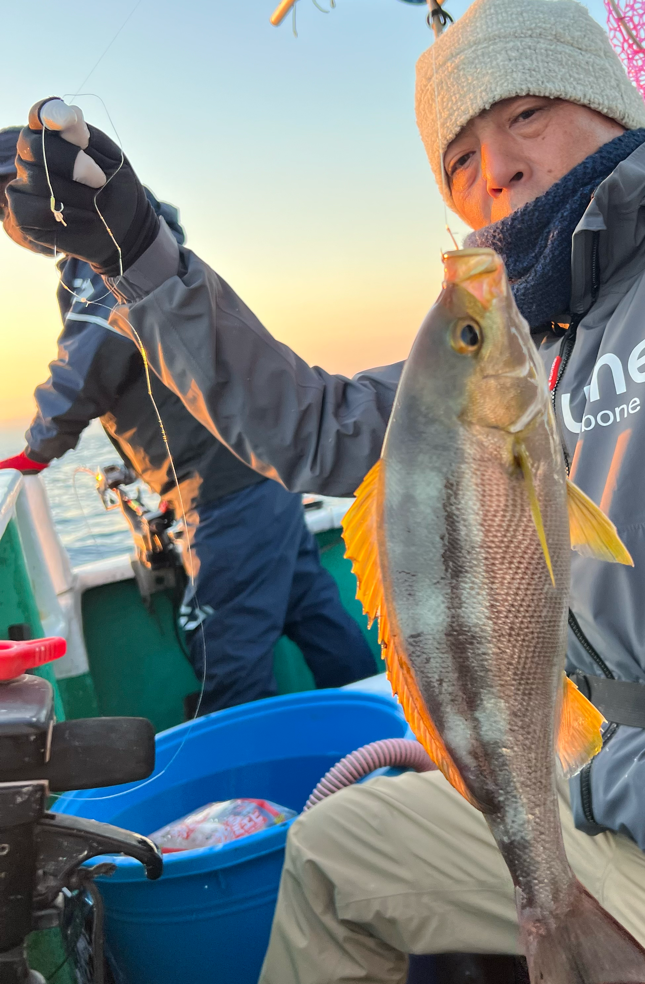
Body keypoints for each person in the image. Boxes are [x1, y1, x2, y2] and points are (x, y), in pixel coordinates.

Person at [3, 0, 645, 984]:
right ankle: (547, 903)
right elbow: (312, 425)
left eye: (525, 113)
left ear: (608, 103)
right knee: (335, 854)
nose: (498, 169)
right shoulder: (518, 344)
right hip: (594, 813)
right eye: (460, 158)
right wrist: (136, 253)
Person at [0, 127, 377, 714]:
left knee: (226, 668)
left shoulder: (99, 258)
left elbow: (86, 365)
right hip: (260, 481)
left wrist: (37, 448)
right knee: (320, 621)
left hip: (226, 497)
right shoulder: (142, 244)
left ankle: (260, 777)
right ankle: (389, 746)